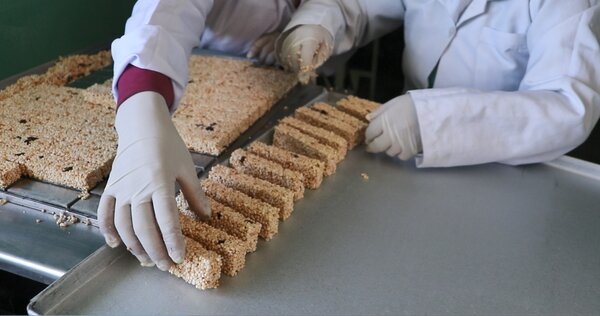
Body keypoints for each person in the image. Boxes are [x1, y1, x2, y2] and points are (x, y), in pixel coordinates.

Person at [99, 0, 301, 271]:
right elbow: (168, 10)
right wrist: (141, 100)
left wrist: (316, 22)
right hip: (201, 58)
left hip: (304, 65)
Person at [277, 0, 600, 166]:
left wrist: (432, 121)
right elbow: (359, 5)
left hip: (503, 166)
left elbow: (567, 107)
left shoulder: (566, 5)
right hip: (403, 150)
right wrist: (317, 26)